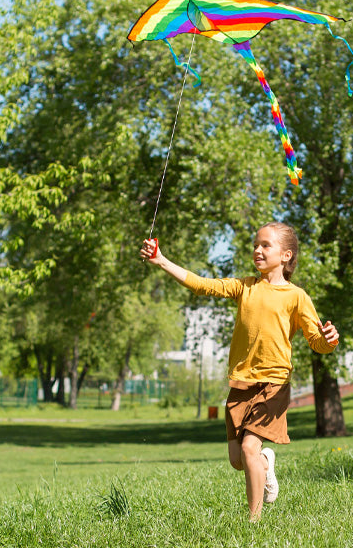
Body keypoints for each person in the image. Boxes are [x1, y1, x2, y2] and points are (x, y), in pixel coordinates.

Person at [140, 222, 339, 521]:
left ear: (286, 256)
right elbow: (200, 284)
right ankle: (265, 463)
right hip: (241, 383)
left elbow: (317, 343)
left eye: (265, 245)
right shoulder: (244, 287)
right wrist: (161, 260)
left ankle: (253, 522)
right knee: (239, 460)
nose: (257, 250)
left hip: (273, 384)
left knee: (248, 448)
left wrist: (329, 341)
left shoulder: (297, 297)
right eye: (255, 245)